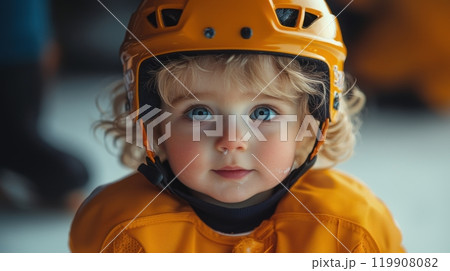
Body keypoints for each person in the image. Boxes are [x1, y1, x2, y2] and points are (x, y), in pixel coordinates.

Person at [70, 0, 404, 252]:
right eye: (199, 112)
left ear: (312, 124)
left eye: (263, 112)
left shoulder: (352, 230)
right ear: (153, 126)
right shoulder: (120, 231)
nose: (231, 141)